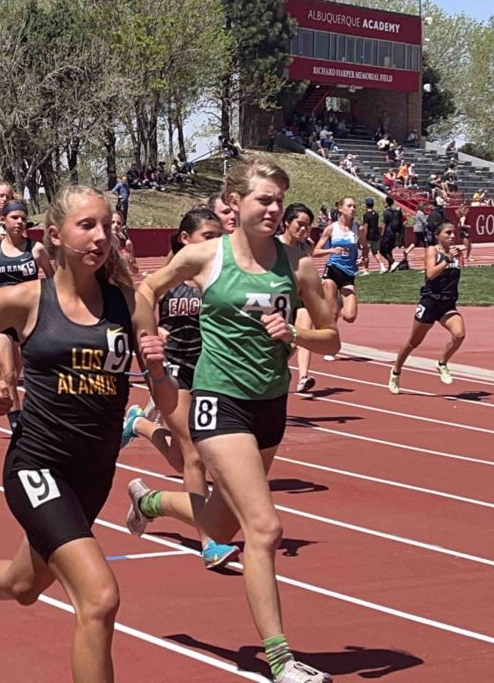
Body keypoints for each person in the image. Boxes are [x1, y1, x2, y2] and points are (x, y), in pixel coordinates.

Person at [0, 186, 161, 683]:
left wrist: (167, 393)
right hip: (36, 466)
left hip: (93, 475)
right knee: (99, 598)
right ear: (55, 236)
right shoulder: (29, 299)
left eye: (107, 225)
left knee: (24, 585)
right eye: (87, 225)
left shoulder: (131, 305)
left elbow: (163, 388)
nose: (101, 236)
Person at [125, 158, 338, 683]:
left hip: (270, 406)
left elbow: (332, 339)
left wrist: (296, 335)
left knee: (219, 521)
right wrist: (150, 345)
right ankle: (281, 659)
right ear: (235, 205)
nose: (273, 209)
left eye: (279, 201)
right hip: (219, 401)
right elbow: (146, 291)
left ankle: (149, 501)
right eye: (264, 199)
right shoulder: (205, 257)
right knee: (263, 528)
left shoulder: (299, 265)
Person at [119, 207, 241, 568]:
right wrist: (153, 333)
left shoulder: (220, 278)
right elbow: (141, 311)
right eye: (208, 237)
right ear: (185, 240)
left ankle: (140, 427)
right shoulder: (163, 280)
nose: (216, 244)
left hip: (211, 371)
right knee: (191, 456)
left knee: (184, 456)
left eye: (220, 237)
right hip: (173, 371)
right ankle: (209, 542)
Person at [0, 199, 55, 428]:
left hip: (29, 319)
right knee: (9, 375)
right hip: (1, 320)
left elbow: (53, 280)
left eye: (23, 218)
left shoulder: (36, 249)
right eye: (14, 217)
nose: (20, 222)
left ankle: (34, 415)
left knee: (32, 374)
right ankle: (17, 425)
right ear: (3, 220)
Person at [388, 221, 466, 394]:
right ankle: (396, 371)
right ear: (438, 235)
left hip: (447, 304)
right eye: (448, 233)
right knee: (412, 343)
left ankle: (442, 362)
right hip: (430, 302)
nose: (452, 236)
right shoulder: (432, 250)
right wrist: (447, 260)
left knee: (459, 334)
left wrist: (455, 256)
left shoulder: (456, 252)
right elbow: (430, 274)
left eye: (454, 233)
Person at [280, 203, 318, 393]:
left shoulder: (305, 248)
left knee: (302, 335)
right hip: (277, 300)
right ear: (287, 222)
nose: (303, 229)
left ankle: (303, 377)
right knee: (283, 342)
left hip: (299, 297)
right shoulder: (272, 244)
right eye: (300, 224)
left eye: (307, 226)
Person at [314, 197, 365, 325]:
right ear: (340, 208)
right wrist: (330, 251)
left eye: (354, 206)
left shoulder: (358, 229)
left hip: (348, 273)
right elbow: (316, 252)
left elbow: (366, 246)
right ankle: (329, 341)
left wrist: (364, 258)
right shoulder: (331, 228)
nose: (352, 209)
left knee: (350, 316)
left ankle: (339, 302)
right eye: (349, 206)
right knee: (332, 314)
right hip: (332, 269)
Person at [110, 210, 140, 279]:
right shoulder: (101, 241)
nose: (115, 225)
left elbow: (135, 271)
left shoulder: (126, 245)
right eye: (112, 222)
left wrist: (130, 260)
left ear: (121, 227)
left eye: (118, 223)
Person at [378, 196, 405, 273]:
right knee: (389, 250)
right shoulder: (395, 212)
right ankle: (391, 266)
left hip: (387, 233)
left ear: (386, 203)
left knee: (382, 250)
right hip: (394, 233)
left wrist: (382, 234)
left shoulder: (386, 212)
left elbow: (384, 224)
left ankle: (393, 261)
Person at [360, 197, 381, 275]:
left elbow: (366, 226)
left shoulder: (366, 215)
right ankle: (382, 266)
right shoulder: (376, 214)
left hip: (369, 236)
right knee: (375, 252)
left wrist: (364, 237)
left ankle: (366, 270)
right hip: (376, 235)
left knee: (365, 253)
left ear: (366, 205)